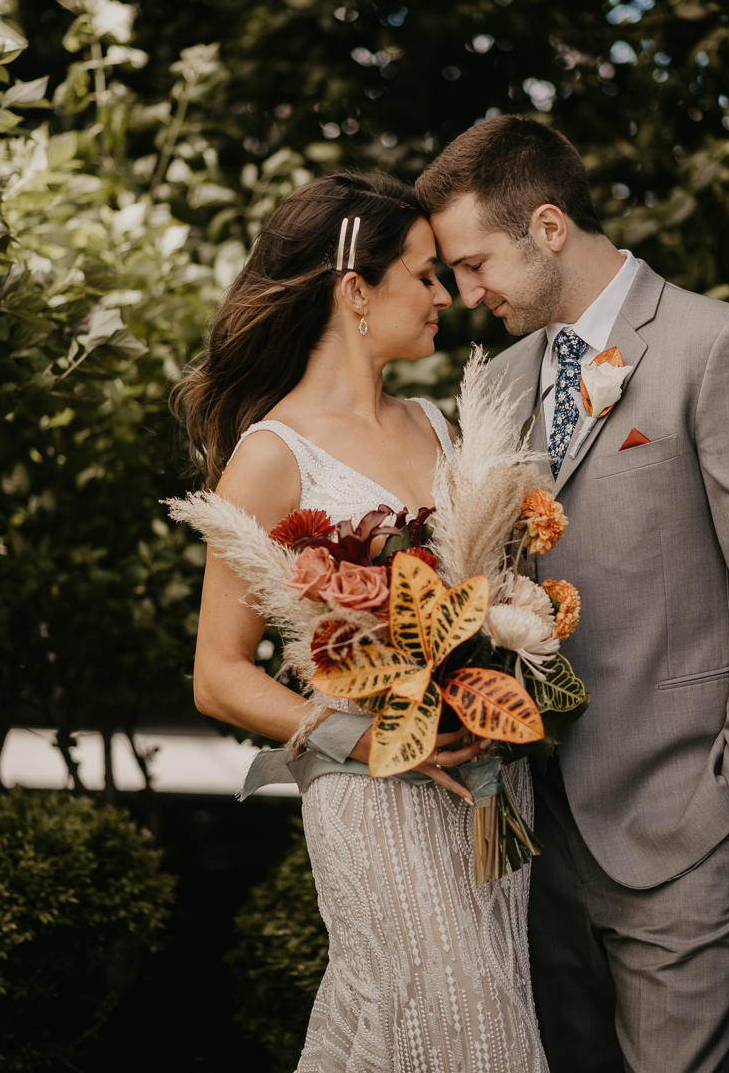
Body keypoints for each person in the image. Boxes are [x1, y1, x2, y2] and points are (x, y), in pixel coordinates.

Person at [416, 115, 729, 1073]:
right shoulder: (499, 385)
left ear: (548, 226)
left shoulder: (719, 347)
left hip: (687, 829)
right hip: (535, 846)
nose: (467, 295)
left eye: (473, 265)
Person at [177, 172, 549, 1072]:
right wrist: (374, 738)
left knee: (410, 1029)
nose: (443, 297)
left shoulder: (436, 424)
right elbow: (218, 677)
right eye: (422, 275)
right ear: (355, 291)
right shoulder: (271, 456)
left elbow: (482, 588)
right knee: (476, 1044)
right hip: (375, 795)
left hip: (488, 794)